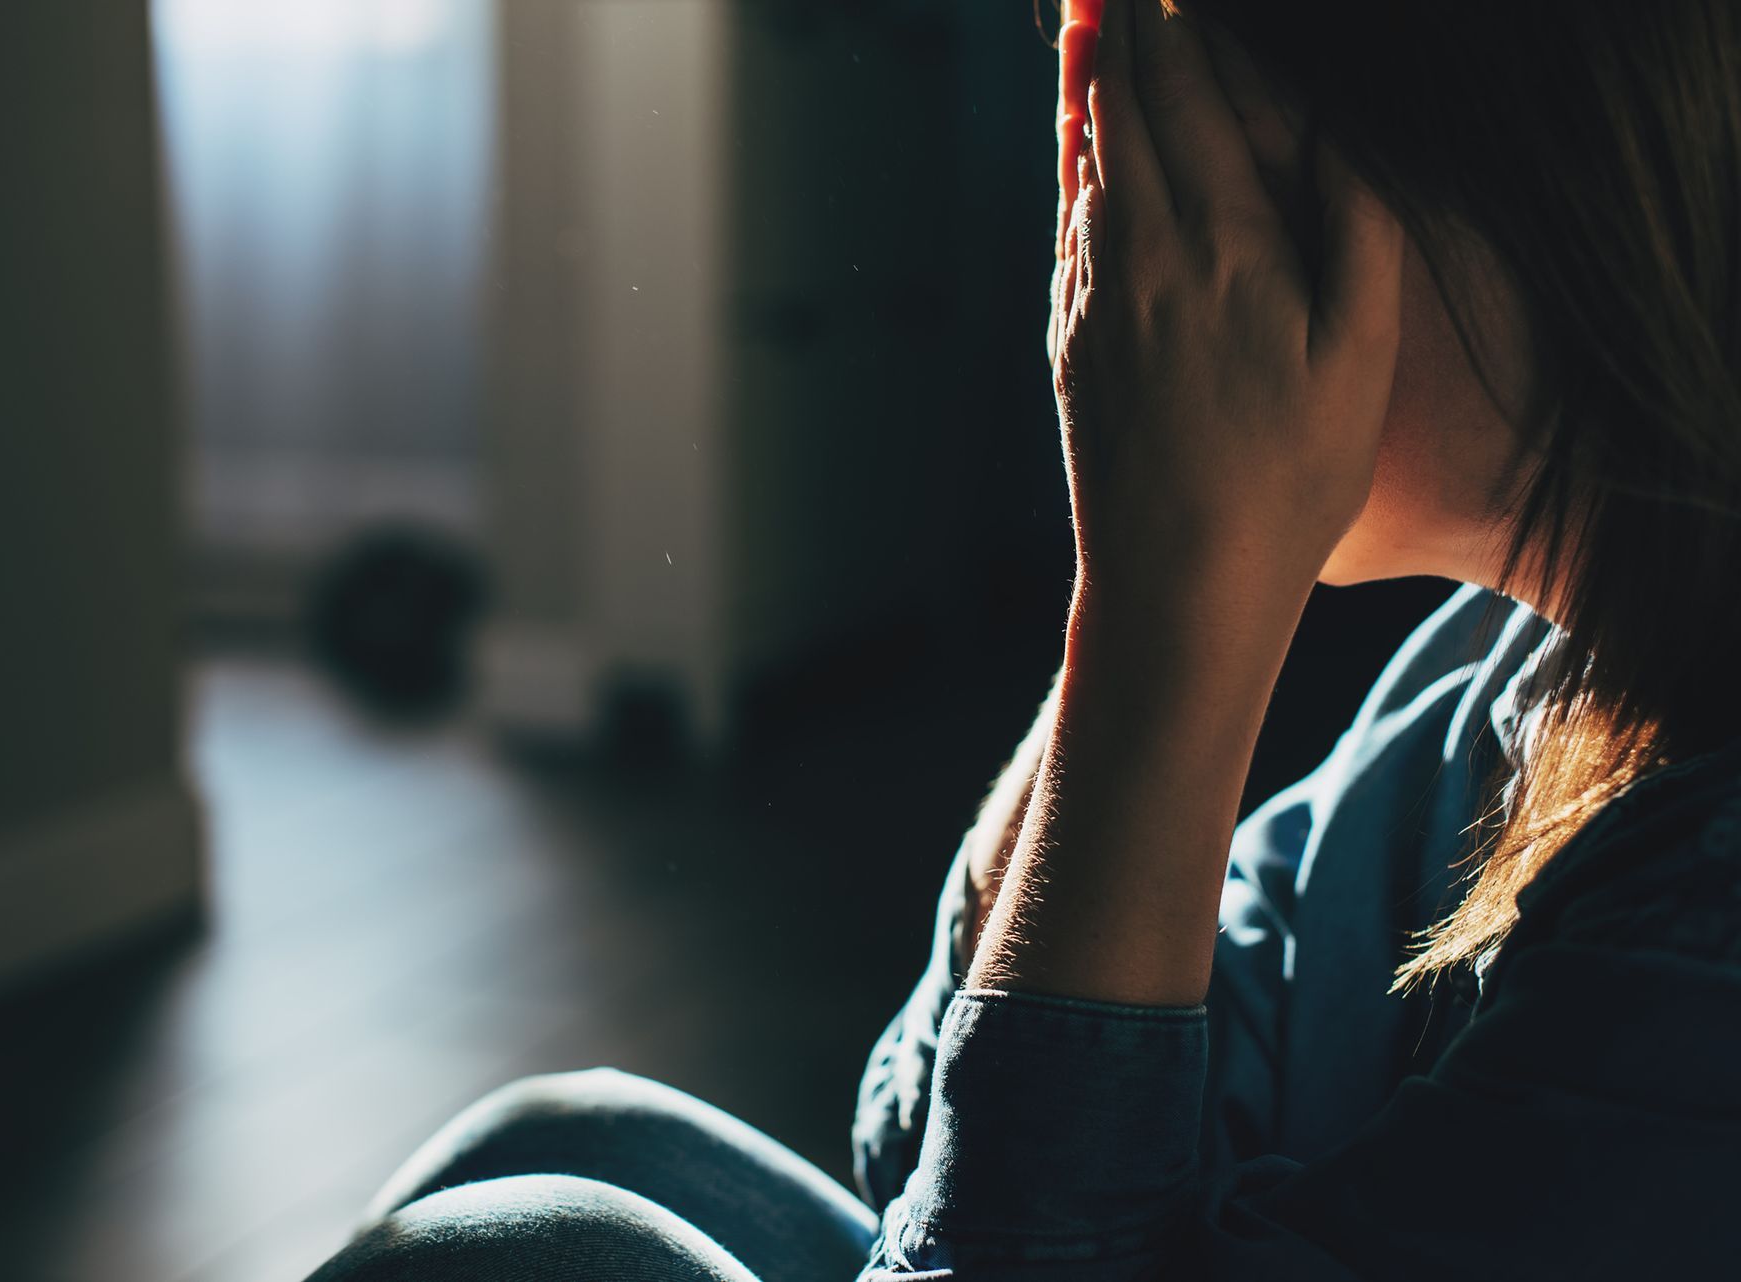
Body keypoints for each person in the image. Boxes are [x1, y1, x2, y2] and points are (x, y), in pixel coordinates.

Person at [307, 0, 1741, 1277]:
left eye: (1197, 185)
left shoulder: (1704, 939)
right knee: (564, 1147)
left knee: (542, 1256)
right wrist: (1149, 575)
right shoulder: (1489, 691)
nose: (1140, 267)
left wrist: (1171, 611)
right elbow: (931, 1137)